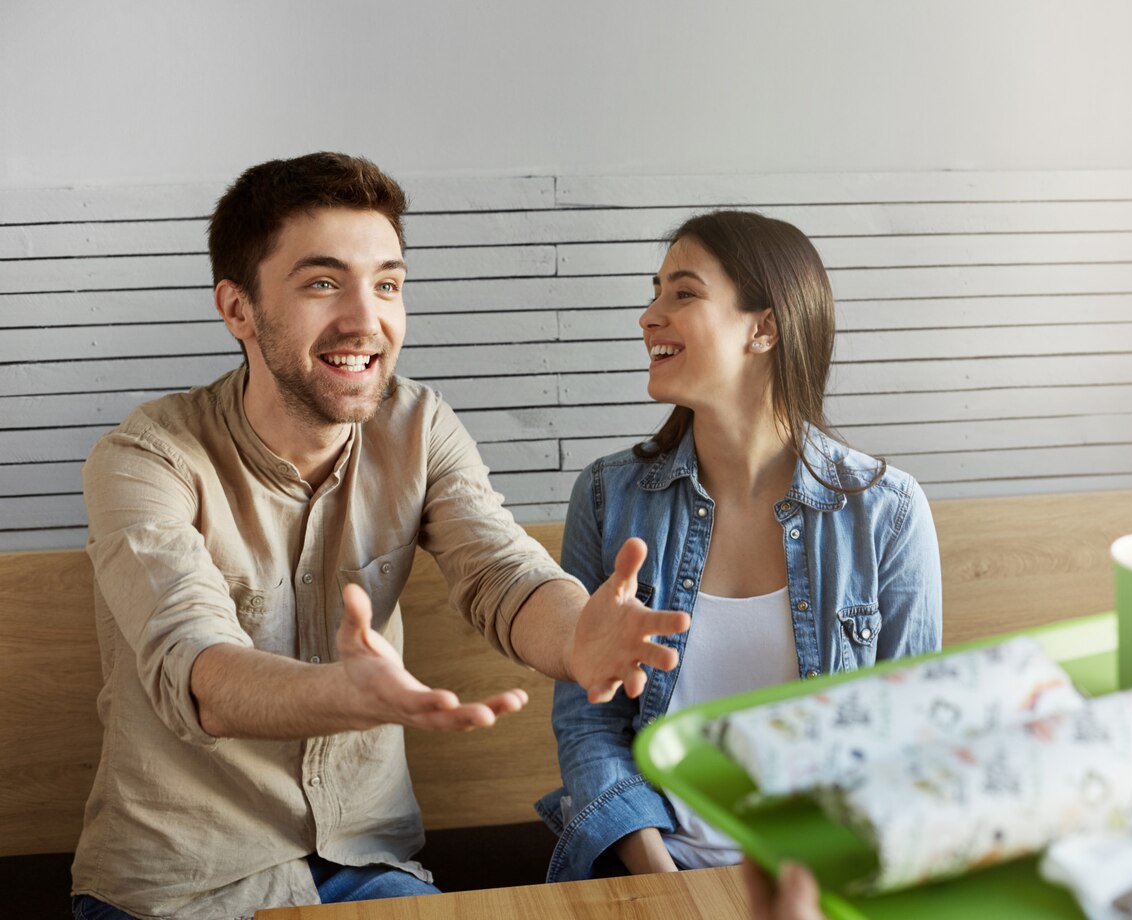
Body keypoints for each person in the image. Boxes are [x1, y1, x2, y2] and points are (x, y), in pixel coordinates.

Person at [69, 152, 690, 920]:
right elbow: (194, 666)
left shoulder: (419, 426)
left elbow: (501, 571)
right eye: (323, 283)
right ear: (237, 309)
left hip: (366, 868)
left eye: (388, 284)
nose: (369, 321)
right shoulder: (143, 459)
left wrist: (576, 636)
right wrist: (343, 695)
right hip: (181, 886)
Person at [536, 210, 942, 881]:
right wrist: (664, 882)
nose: (649, 315)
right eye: (655, 291)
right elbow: (589, 725)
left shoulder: (887, 511)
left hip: (826, 880)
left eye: (683, 293)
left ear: (765, 327)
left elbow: (909, 736)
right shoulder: (608, 497)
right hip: (650, 872)